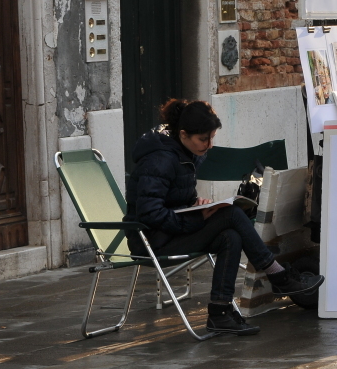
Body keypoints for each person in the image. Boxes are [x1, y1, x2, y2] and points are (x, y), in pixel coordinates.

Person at [125, 98, 324, 336]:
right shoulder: (160, 159)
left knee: (231, 236)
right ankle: (278, 274)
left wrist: (195, 205)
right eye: (203, 139)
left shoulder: (184, 152)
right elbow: (150, 213)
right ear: (183, 134)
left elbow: (172, 201)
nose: (209, 145)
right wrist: (195, 219)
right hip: (150, 240)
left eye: (212, 138)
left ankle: (220, 314)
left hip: (171, 232)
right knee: (231, 214)